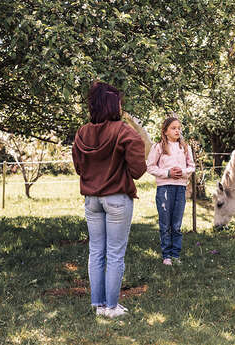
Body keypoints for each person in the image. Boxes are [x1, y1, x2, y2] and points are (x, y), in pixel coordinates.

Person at [72, 81, 146, 318]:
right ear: (113, 104)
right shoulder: (124, 131)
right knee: (114, 253)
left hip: (92, 199)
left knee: (96, 251)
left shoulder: (82, 132)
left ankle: (97, 304)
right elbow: (138, 170)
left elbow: (78, 167)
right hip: (116, 198)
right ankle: (111, 308)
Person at [147, 117, 195, 266]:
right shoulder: (159, 147)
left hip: (180, 188)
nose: (177, 131)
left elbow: (191, 166)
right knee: (165, 223)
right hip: (165, 189)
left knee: (176, 224)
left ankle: (175, 254)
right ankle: (166, 255)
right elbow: (150, 167)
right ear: (165, 131)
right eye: (173, 128)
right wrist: (168, 173)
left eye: (179, 128)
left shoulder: (185, 147)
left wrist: (183, 172)